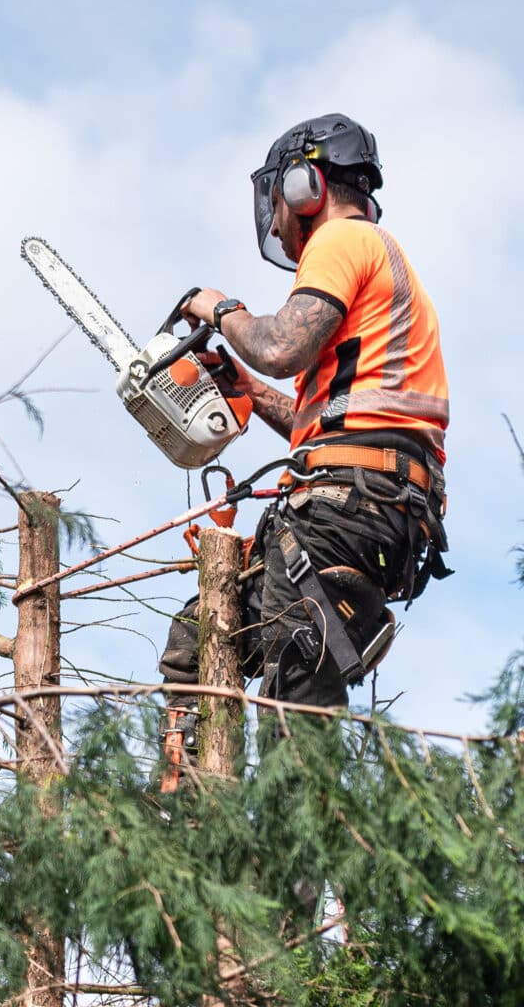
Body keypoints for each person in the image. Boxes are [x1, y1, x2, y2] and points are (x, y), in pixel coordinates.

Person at [159, 113, 451, 753]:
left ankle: (307, 845)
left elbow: (281, 344)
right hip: (368, 501)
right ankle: (190, 825)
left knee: (299, 701)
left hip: (348, 507)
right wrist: (243, 387)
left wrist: (221, 309)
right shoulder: (375, 270)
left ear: (303, 186)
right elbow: (320, 418)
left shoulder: (344, 240)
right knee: (200, 642)